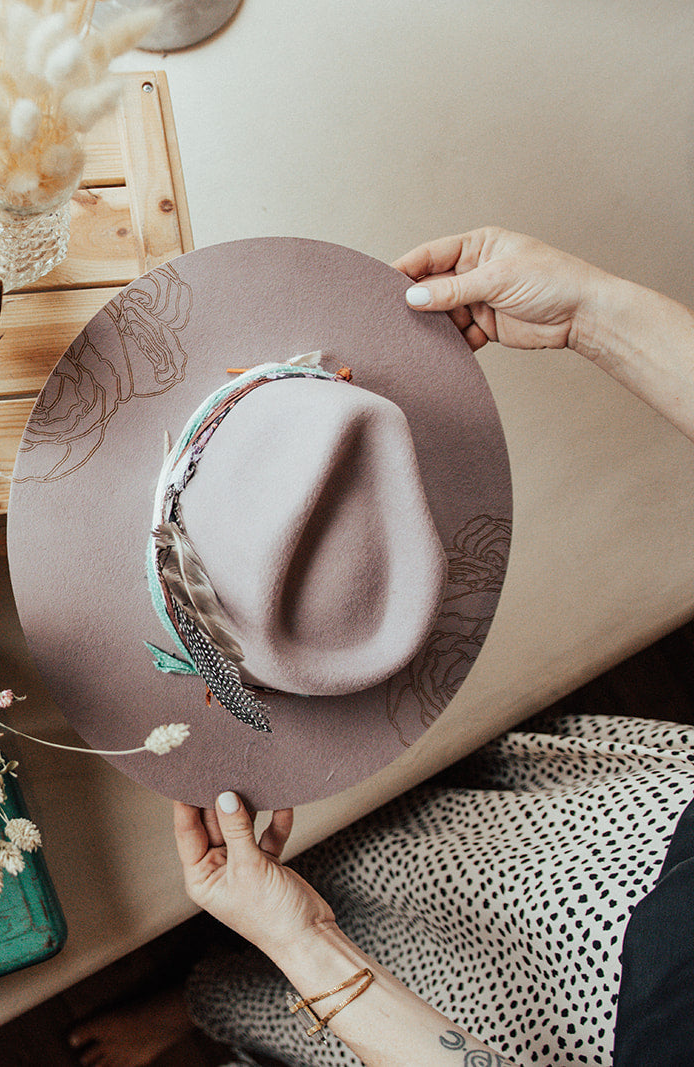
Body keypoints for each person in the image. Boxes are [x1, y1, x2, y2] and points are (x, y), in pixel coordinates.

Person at [68, 227, 694, 1067]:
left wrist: (309, 946)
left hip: (565, 1030)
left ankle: (212, 999)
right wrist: (592, 312)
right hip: (640, 840)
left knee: (383, 952)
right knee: (414, 838)